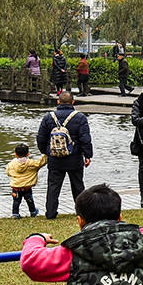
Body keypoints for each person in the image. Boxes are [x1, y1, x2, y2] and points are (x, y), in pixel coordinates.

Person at [38, 91, 94, 220]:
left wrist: (46, 152)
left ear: (58, 102)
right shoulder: (79, 117)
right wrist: (88, 155)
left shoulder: (48, 117)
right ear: (73, 102)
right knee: (78, 186)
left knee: (53, 187)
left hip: (54, 158)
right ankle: (82, 213)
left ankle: (51, 213)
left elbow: (41, 137)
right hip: (74, 157)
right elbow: (85, 138)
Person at [6, 143, 48, 218]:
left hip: (16, 187)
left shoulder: (11, 164)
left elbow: (8, 172)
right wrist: (46, 155)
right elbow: (40, 163)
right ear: (28, 153)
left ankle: (15, 214)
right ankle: (33, 212)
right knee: (29, 200)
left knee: (16, 201)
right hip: (27, 187)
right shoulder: (31, 163)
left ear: (15, 154)